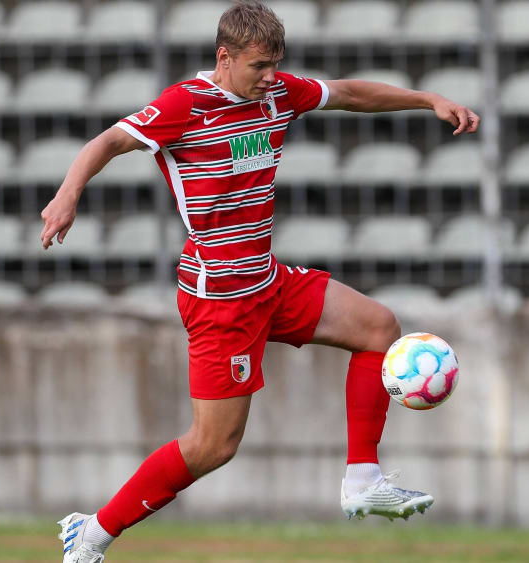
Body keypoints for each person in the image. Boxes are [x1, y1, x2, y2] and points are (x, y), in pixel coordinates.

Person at [39, 2, 479, 561]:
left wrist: (428, 100)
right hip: (220, 300)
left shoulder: (276, 94)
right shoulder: (185, 105)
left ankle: (363, 481)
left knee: (379, 327)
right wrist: (67, 195)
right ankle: (93, 532)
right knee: (213, 446)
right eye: (259, 66)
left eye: (276, 64)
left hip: (267, 281)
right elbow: (105, 143)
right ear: (224, 57)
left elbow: (348, 94)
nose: (271, 77)